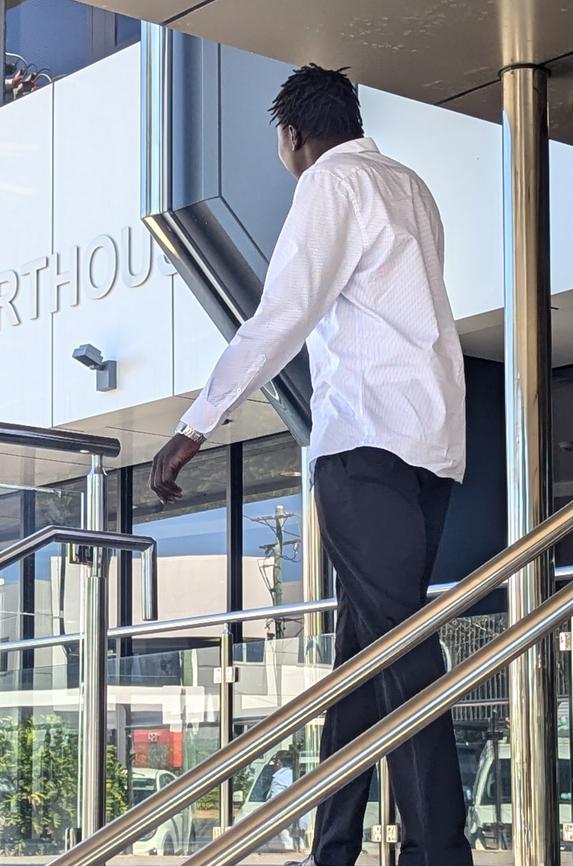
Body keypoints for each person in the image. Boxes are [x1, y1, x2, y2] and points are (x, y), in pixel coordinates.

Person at [150, 63, 471, 866]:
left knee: (400, 655)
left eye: (283, 144)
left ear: (294, 135)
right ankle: (334, 848)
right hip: (431, 446)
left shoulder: (331, 185)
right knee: (360, 665)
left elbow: (284, 312)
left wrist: (195, 425)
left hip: (365, 445)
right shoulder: (411, 186)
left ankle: (441, 853)